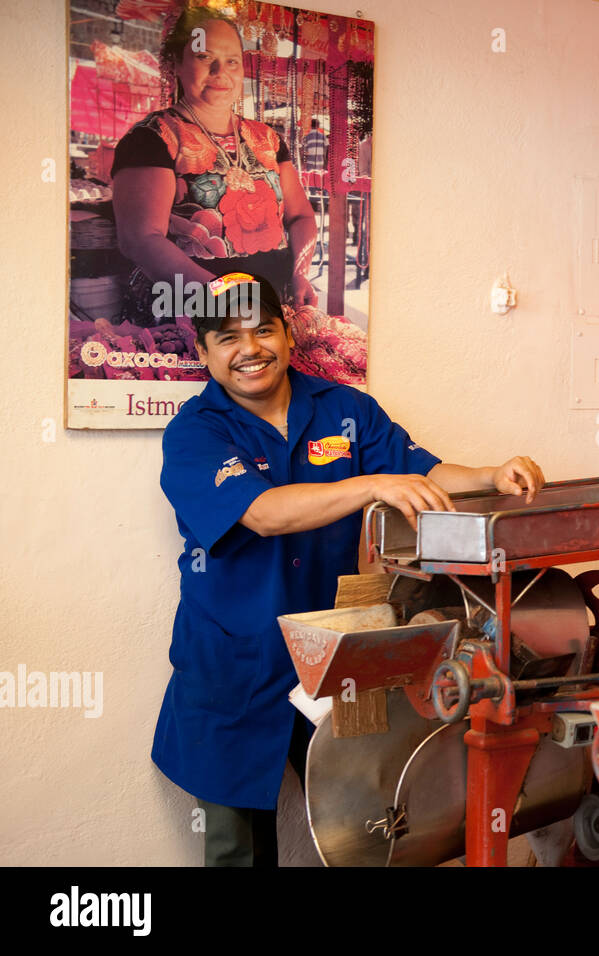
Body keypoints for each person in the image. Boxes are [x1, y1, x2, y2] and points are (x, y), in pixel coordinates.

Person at [155, 272, 545, 866]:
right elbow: (261, 514)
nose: (250, 350)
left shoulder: (344, 410)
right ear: (205, 353)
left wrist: (491, 475)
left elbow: (422, 471)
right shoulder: (195, 433)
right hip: (233, 665)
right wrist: (369, 485)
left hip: (337, 656)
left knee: (366, 827)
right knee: (237, 850)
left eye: (263, 330)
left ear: (288, 335)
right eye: (228, 338)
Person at [112, 8, 318, 329]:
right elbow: (140, 238)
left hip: (271, 310)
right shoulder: (154, 138)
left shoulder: (267, 139)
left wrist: (301, 273)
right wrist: (222, 297)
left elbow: (301, 216)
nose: (221, 71)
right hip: (193, 316)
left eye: (232, 60)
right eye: (205, 57)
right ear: (177, 65)